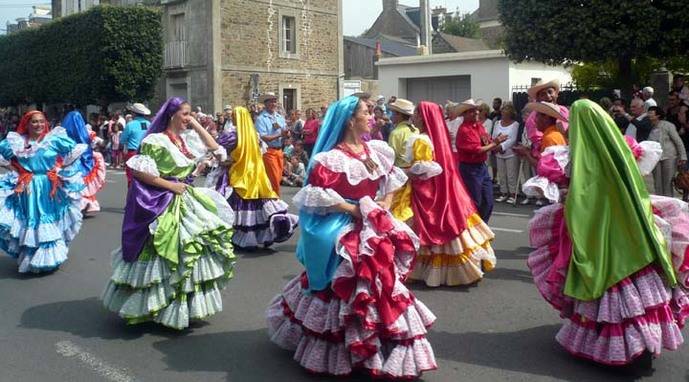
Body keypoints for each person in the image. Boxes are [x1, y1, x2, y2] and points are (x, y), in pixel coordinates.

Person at [265, 95, 437, 378]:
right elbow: (317, 196)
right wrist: (353, 209)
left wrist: (385, 202)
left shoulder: (376, 150)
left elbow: (391, 179)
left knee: (382, 281)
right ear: (350, 119)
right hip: (345, 224)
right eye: (367, 112)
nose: (373, 117)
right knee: (347, 280)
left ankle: (379, 341)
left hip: (373, 221)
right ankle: (344, 346)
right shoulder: (331, 158)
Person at [524, 99, 689, 366]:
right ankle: (641, 343)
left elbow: (576, 197)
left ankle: (620, 347)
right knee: (636, 284)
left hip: (598, 235)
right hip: (631, 229)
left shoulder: (579, 158)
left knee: (605, 283)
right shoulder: (622, 147)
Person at [102, 97, 235, 330]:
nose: (189, 118)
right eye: (185, 114)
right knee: (164, 254)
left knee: (190, 253)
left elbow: (217, 150)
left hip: (185, 198)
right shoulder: (156, 141)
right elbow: (140, 172)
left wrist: (195, 123)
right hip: (163, 200)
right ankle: (152, 305)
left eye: (190, 113)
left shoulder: (186, 140)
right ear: (171, 114)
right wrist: (171, 186)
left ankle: (179, 306)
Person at [400, 101, 497, 287]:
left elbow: (422, 168)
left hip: (427, 187)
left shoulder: (421, 139)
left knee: (430, 224)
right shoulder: (437, 138)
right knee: (451, 220)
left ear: (425, 117)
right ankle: (461, 269)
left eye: (418, 114)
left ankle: (434, 270)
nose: (414, 117)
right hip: (443, 186)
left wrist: (403, 173)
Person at [0, 111, 87, 273]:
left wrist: (62, 171)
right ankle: (31, 256)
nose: (38, 125)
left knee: (47, 219)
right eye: (34, 122)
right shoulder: (17, 141)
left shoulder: (54, 139)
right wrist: (15, 170)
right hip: (27, 187)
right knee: (32, 219)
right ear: (27, 124)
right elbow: (3, 155)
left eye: (41, 121)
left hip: (48, 185)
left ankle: (49, 258)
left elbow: (73, 153)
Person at [206, 106, 298, 249]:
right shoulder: (255, 136)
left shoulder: (232, 136)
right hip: (256, 173)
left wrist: (228, 161)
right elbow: (262, 153)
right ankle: (261, 235)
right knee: (258, 202)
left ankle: (238, 236)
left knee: (236, 202)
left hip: (238, 173)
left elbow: (220, 154)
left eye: (234, 116)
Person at [456, 99, 507, 222]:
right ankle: (474, 229)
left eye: (477, 110)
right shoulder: (464, 130)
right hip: (470, 169)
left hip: (481, 167)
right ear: (464, 114)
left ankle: (481, 227)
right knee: (476, 202)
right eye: (471, 111)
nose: (476, 113)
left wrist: (496, 143)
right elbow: (477, 150)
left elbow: (487, 142)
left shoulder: (479, 127)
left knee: (488, 202)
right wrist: (496, 143)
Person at [62, 111, 107, 217]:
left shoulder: (62, 133)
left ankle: (77, 205)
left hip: (70, 161)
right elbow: (98, 141)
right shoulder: (86, 132)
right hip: (86, 159)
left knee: (71, 184)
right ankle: (88, 204)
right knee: (84, 183)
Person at [387, 98, 419, 221]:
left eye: (393, 113)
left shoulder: (396, 133)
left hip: (401, 175)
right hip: (416, 173)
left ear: (399, 115)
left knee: (399, 208)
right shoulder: (415, 130)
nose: (391, 116)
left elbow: (391, 157)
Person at [647, 106, 687, 196]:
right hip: (656, 158)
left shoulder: (667, 125)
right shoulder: (650, 126)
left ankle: (669, 203)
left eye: (651, 112)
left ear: (658, 115)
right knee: (657, 183)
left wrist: (683, 156)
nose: (648, 114)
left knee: (668, 182)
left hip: (669, 156)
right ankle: (661, 202)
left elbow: (678, 141)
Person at [524, 79, 570, 156]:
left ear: (556, 94)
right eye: (543, 94)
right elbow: (538, 143)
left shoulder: (564, 110)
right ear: (538, 99)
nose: (548, 96)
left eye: (550, 92)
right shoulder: (534, 117)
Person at [255, 92, 288, 195]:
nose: (273, 104)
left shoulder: (280, 117)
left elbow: (285, 132)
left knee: (278, 178)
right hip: (268, 151)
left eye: (274, 101)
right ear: (266, 103)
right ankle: (276, 201)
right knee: (273, 178)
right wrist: (280, 135)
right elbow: (263, 137)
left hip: (279, 150)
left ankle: (272, 200)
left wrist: (287, 134)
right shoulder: (261, 119)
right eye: (271, 102)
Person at [492, 103, 521, 203]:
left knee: (511, 175)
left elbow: (512, 139)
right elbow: (494, 136)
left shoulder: (515, 124)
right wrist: (496, 145)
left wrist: (501, 146)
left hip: (510, 153)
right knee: (501, 174)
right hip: (498, 152)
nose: (503, 114)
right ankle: (503, 193)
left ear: (510, 114)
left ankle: (513, 194)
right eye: (503, 112)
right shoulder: (497, 123)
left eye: (506, 113)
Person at [121, 103, 151, 186]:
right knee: (145, 177)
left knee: (131, 177)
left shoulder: (130, 125)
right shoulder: (149, 124)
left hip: (133, 153)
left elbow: (122, 140)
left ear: (134, 113)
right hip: (147, 153)